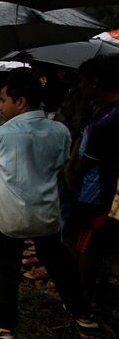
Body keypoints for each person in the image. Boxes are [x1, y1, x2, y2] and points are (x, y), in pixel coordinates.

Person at [0, 68, 94, 339]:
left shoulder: (6, 134)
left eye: (5, 100)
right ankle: (81, 312)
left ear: (21, 102)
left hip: (10, 214)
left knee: (7, 269)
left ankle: (3, 323)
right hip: (45, 210)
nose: (0, 104)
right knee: (58, 261)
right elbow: (60, 164)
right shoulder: (59, 130)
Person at [65, 55, 119, 308]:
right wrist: (71, 166)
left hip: (97, 192)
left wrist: (74, 172)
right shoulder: (97, 109)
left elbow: (93, 156)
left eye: (84, 81)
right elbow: (81, 139)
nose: (80, 87)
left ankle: (81, 298)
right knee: (74, 236)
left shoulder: (112, 118)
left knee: (87, 245)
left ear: (96, 83)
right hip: (83, 185)